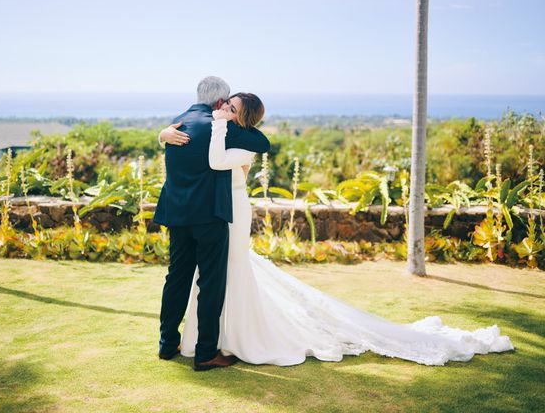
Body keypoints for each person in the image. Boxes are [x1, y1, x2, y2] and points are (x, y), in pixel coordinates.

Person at [160, 92, 514, 366]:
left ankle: (233, 340)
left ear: (244, 117)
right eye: (226, 104)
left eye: (233, 108)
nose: (225, 109)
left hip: (232, 214)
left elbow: (222, 157)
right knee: (216, 279)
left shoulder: (243, 142)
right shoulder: (221, 132)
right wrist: (163, 135)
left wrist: (221, 122)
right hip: (218, 213)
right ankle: (211, 341)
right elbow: (203, 147)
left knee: (222, 277)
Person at [154, 77, 270, 371]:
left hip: (177, 215)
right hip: (208, 217)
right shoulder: (223, 128)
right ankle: (206, 353)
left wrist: (161, 135)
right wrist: (224, 121)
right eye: (228, 104)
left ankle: (167, 344)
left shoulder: (177, 123)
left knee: (176, 278)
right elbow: (262, 142)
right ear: (220, 102)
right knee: (211, 283)